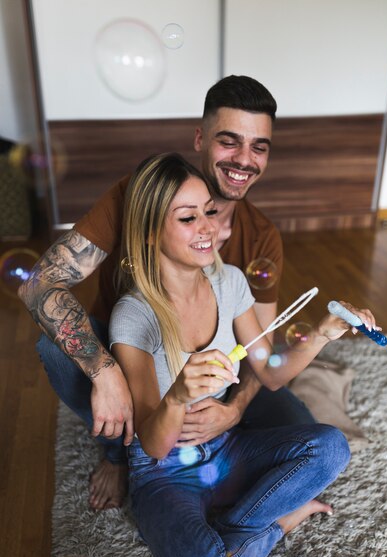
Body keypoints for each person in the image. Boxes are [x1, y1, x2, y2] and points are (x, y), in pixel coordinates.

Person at [19, 76, 314, 510]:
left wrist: (233, 411)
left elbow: (259, 349)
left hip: (214, 382)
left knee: (305, 431)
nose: (243, 160)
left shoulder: (261, 237)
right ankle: (120, 451)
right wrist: (106, 372)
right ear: (200, 138)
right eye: (229, 142)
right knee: (56, 349)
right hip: (133, 351)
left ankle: (223, 457)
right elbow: (39, 283)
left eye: (259, 147)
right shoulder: (138, 195)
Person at [107, 152, 369, 557]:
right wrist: (177, 397)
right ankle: (278, 523)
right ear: (150, 233)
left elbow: (268, 372)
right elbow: (151, 445)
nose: (208, 226)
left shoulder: (229, 282)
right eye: (188, 217)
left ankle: (231, 532)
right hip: (164, 472)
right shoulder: (134, 316)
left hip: (225, 448)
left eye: (209, 210)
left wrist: (323, 335)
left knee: (332, 447)